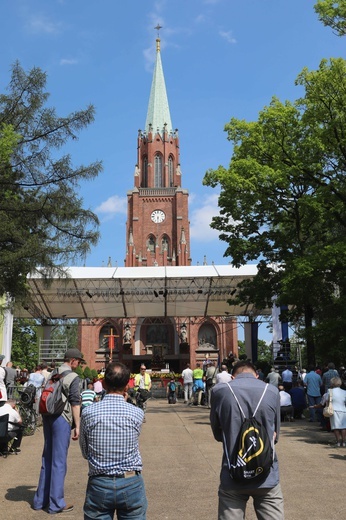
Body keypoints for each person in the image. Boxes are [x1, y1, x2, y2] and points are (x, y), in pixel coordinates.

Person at [210, 360, 284, 519]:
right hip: (266, 474)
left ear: (232, 377)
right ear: (257, 376)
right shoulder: (271, 391)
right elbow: (275, 434)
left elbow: (217, 434)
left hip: (233, 472)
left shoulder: (220, 392)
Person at [80, 362, 147, 519]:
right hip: (131, 481)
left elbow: (85, 452)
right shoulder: (137, 413)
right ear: (126, 387)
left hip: (99, 482)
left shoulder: (88, 412)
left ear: (103, 384)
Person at [33, 348, 83, 514]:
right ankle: (56, 504)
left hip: (47, 416)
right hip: (61, 419)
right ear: (73, 361)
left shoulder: (52, 374)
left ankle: (40, 501)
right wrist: (77, 425)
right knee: (59, 461)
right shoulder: (73, 377)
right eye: (79, 362)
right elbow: (75, 402)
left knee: (47, 457)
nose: (79, 365)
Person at [313, 376, 346, 447]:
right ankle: (344, 442)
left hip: (333, 411)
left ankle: (338, 442)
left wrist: (315, 406)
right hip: (343, 411)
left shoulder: (329, 392)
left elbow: (323, 402)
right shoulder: (344, 392)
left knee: (336, 427)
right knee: (343, 427)